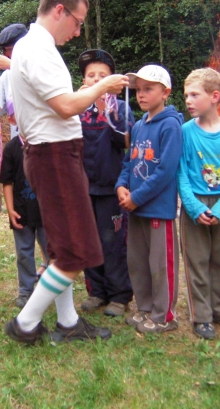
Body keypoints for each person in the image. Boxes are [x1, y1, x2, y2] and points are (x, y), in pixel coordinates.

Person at [3, 0, 129, 344]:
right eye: (77, 21)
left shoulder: (34, 47)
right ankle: (25, 323)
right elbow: (65, 106)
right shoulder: (38, 50)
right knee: (75, 250)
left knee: (61, 246)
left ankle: (68, 321)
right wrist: (102, 86)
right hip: (55, 155)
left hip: (52, 153)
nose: (77, 32)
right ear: (60, 10)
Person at [177, 68, 220, 340]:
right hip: (195, 205)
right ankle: (202, 315)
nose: (188, 100)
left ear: (215, 96)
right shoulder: (185, 131)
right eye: (186, 95)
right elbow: (181, 172)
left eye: (194, 95)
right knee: (196, 262)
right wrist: (194, 208)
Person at [115, 65, 184, 334]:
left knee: (160, 264)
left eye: (148, 89)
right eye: (138, 90)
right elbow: (129, 162)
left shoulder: (171, 125)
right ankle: (145, 309)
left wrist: (138, 197)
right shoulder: (139, 125)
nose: (141, 95)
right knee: (138, 262)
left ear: (165, 92)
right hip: (135, 208)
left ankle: (164, 315)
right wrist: (122, 186)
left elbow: (166, 170)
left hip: (157, 209)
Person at [77, 49, 134, 318]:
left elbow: (126, 142)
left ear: (113, 80)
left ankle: (119, 295)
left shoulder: (121, 107)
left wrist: (107, 112)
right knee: (88, 241)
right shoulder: (77, 108)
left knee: (113, 242)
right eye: (91, 75)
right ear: (84, 81)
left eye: (103, 75)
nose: (97, 80)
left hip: (112, 187)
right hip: (83, 187)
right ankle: (96, 291)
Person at [0, 133, 49, 308]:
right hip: (22, 212)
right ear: (14, 120)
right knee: (24, 252)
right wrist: (10, 210)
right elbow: (7, 182)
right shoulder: (11, 148)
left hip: (46, 212)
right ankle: (26, 291)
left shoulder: (46, 142)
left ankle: (53, 288)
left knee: (52, 250)